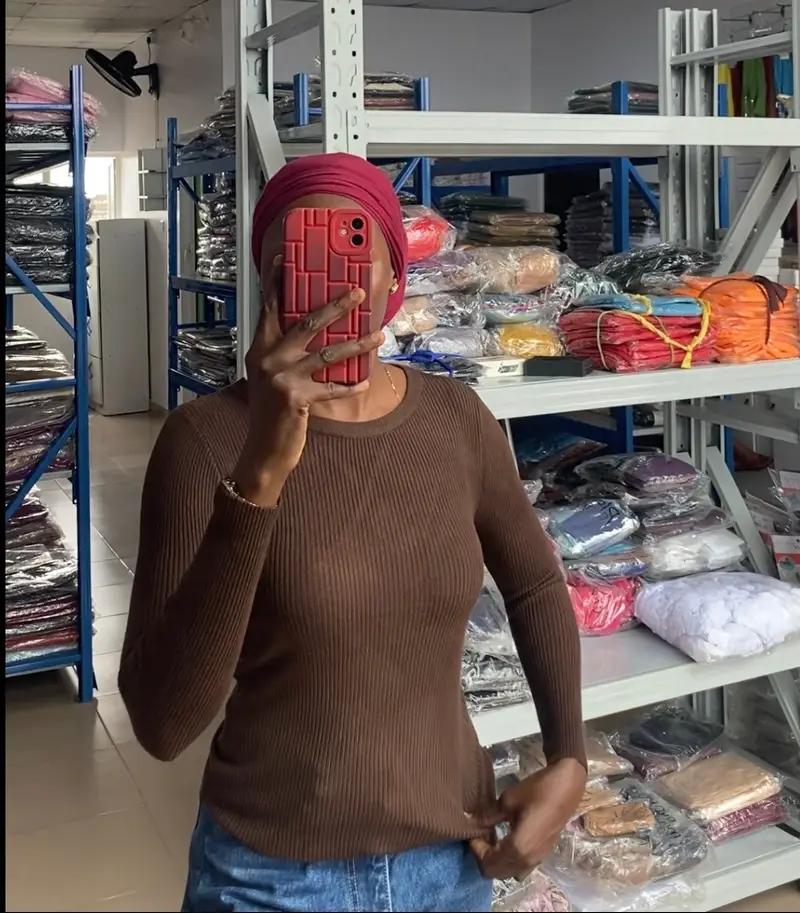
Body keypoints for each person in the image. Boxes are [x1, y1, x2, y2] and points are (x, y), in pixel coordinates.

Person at [119, 153, 586, 913]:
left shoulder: (455, 419)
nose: (331, 283)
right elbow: (162, 725)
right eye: (299, 256)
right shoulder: (203, 439)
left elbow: (534, 582)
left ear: (393, 274)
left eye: (352, 249)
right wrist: (260, 474)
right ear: (268, 278)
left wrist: (570, 756)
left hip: (453, 859)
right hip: (271, 876)